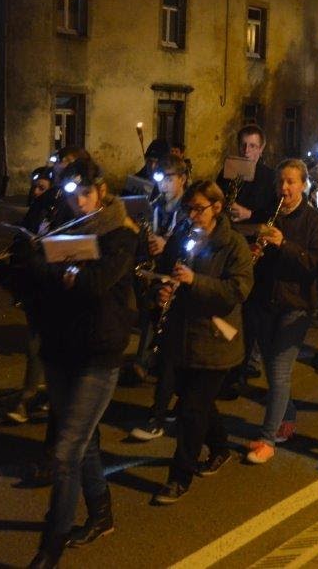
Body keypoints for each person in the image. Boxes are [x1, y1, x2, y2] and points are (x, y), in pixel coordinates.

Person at [26, 158, 138, 568]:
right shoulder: (63, 225)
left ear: (102, 190)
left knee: (65, 452)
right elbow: (40, 273)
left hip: (99, 352)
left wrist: (66, 270)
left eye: (86, 194)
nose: (79, 203)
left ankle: (49, 547)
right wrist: (46, 261)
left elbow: (96, 284)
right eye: (73, 196)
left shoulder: (120, 234)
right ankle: (101, 514)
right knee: (84, 439)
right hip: (61, 348)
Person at [150, 181, 254, 503]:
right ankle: (221, 447)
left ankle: (179, 476)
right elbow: (166, 271)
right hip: (182, 336)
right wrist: (164, 288)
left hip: (215, 340)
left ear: (217, 208)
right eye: (189, 208)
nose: (192, 214)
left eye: (199, 208)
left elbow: (237, 291)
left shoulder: (234, 245)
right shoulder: (183, 236)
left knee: (191, 412)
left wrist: (196, 281)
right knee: (197, 402)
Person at [245, 159, 318, 464]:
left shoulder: (314, 222)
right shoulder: (271, 214)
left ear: (304, 185)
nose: (285, 188)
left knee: (280, 372)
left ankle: (267, 439)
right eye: (281, 181)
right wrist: (258, 250)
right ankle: (287, 416)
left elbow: (315, 264)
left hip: (296, 306)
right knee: (271, 370)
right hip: (267, 302)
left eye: (291, 182)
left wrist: (284, 244)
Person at [129, 154, 192, 439]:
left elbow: (190, 248)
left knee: (170, 353)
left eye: (169, 179)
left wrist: (166, 245)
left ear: (182, 180)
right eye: (161, 179)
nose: (164, 185)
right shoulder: (155, 207)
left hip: (179, 283)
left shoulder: (189, 211)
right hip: (156, 281)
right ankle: (178, 406)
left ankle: (159, 414)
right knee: (168, 350)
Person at [218, 125, 278, 395]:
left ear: (261, 149)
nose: (247, 151)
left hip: (255, 249)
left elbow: (272, 213)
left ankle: (240, 370)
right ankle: (228, 365)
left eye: (253, 146)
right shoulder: (228, 172)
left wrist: (249, 213)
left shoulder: (269, 177)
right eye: (243, 145)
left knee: (250, 315)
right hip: (230, 246)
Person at [6, 165, 55, 424]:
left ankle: (42, 395)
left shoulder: (60, 211)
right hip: (36, 287)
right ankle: (29, 395)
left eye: (42, 188)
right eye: (34, 188)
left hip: (55, 287)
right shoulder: (35, 213)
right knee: (35, 343)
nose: (36, 193)